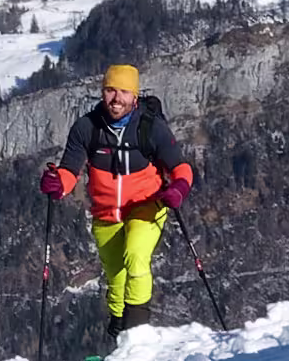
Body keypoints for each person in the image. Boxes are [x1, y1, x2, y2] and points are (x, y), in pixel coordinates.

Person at [42, 60, 194, 327]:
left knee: (135, 257)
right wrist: (57, 184)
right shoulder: (86, 128)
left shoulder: (150, 128)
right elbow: (69, 171)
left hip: (147, 205)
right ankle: (119, 329)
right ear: (102, 92)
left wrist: (179, 189)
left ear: (134, 96)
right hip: (106, 213)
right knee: (116, 276)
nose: (116, 98)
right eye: (111, 90)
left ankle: (136, 331)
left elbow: (181, 168)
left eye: (124, 92)